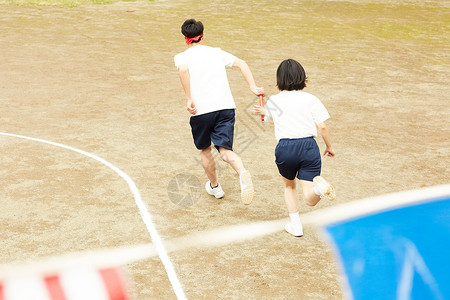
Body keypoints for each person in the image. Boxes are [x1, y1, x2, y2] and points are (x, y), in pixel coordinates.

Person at [174, 19, 264, 205]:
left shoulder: (181, 57)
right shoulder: (216, 53)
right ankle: (242, 172)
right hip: (225, 108)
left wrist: (189, 98)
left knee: (205, 150)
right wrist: (253, 87)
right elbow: (242, 63)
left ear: (186, 39)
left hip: (201, 112)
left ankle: (215, 187)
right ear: (202, 35)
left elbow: (183, 71)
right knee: (225, 150)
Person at [253, 58, 335, 236]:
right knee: (310, 198)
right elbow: (322, 126)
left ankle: (296, 226)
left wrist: (263, 108)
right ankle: (319, 189)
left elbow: (265, 118)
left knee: (289, 186)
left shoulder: (274, 100)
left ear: (279, 80)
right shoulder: (311, 99)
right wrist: (329, 147)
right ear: (302, 77)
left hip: (285, 147)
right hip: (308, 147)